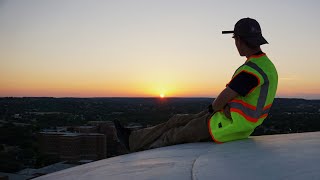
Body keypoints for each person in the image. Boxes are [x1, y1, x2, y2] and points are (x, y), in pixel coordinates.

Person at [114, 17, 278, 152]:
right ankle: (133, 139)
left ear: (239, 40)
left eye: (235, 39)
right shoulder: (266, 66)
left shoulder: (252, 70)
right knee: (176, 120)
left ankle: (139, 150)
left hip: (227, 126)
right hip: (229, 119)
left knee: (175, 134)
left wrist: (212, 110)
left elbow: (225, 97)